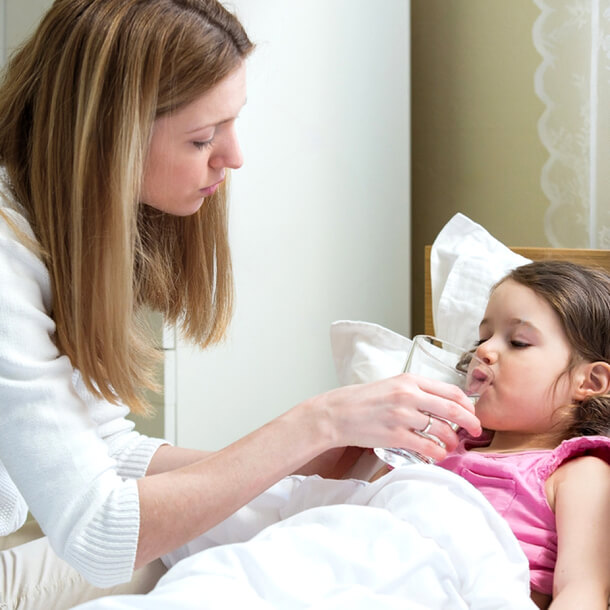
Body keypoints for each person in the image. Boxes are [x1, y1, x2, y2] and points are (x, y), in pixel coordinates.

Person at [0, 1, 480, 608]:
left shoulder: (58, 229)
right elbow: (100, 532)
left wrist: (301, 461)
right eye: (202, 137)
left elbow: (102, 448)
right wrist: (314, 423)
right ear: (104, 137)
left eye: (231, 124)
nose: (233, 157)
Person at [435, 261, 610, 610]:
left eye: (518, 342)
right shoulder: (437, 444)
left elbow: (582, 592)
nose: (483, 351)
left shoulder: (578, 474)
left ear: (588, 382)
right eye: (483, 337)